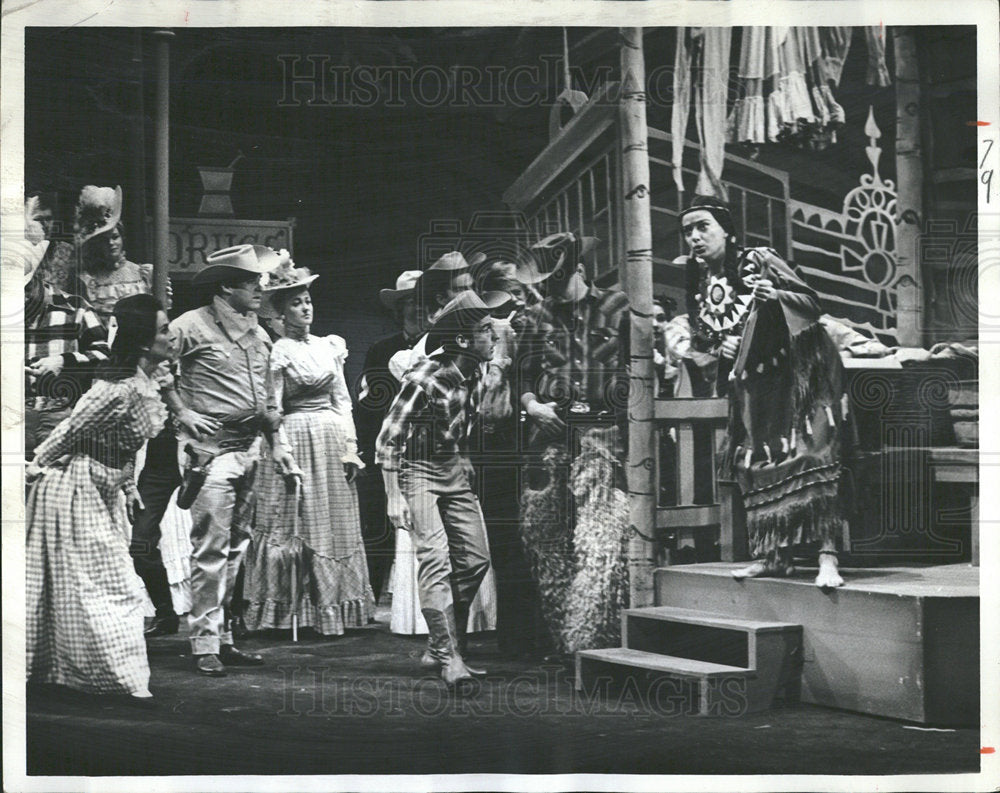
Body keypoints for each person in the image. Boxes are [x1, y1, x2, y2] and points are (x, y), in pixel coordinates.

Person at [667, 195, 848, 588]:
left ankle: (827, 557)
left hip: (801, 373)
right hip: (754, 381)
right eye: (687, 231)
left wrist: (778, 296)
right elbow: (702, 332)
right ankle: (773, 555)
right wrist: (719, 346)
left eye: (703, 227)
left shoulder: (760, 259)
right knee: (758, 462)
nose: (694, 237)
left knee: (812, 454)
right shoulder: (697, 278)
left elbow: (812, 304)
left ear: (726, 231)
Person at [26, 293, 175, 704]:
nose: (171, 335)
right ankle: (122, 679)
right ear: (144, 342)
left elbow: (123, 448)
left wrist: (127, 488)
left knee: (89, 585)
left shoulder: (146, 384)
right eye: (164, 329)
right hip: (72, 487)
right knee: (112, 585)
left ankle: (71, 672)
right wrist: (34, 467)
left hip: (103, 487)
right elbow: (69, 432)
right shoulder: (115, 390)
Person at [168, 244, 296, 676]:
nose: (260, 289)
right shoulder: (191, 326)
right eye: (251, 282)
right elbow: (156, 366)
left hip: (250, 447)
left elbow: (267, 395)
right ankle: (203, 641)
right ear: (227, 286)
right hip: (210, 451)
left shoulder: (259, 333)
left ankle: (223, 637)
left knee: (237, 548)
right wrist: (182, 412)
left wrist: (276, 442)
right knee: (210, 547)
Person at [243, 261, 376, 635]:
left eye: (308, 301)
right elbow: (273, 406)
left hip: (331, 440)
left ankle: (332, 608)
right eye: (297, 303)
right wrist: (281, 450)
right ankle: (288, 611)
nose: (306, 308)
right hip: (297, 438)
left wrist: (351, 445)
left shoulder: (329, 346)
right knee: (294, 522)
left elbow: (343, 400)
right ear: (282, 312)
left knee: (334, 523)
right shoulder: (280, 351)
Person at [516, 232, 630, 656]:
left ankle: (592, 642)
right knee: (548, 542)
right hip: (549, 437)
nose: (551, 289)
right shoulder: (535, 317)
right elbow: (521, 379)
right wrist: (533, 406)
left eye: (558, 279)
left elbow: (639, 374)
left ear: (579, 271)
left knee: (600, 543)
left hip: (604, 438)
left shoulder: (616, 308)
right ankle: (566, 644)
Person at [376, 291, 497, 685]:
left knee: (476, 558)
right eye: (484, 330)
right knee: (435, 559)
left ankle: (441, 642)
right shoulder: (425, 377)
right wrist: (394, 495)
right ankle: (449, 657)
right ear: (462, 341)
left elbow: (461, 422)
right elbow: (387, 439)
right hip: (417, 471)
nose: (493, 335)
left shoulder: (476, 371)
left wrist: (462, 455)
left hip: (450, 468)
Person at [355, 270, 424, 605]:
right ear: (399, 309)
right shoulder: (382, 350)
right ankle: (371, 598)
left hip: (428, 448)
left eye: (421, 300)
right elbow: (368, 407)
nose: (416, 309)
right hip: (388, 445)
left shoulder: (443, 345)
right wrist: (367, 452)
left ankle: (416, 603)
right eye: (409, 302)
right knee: (378, 523)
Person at [22, 221, 110, 459]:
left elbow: (105, 355)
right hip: (12, 415)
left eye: (26, 289)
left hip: (60, 413)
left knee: (56, 484)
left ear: (39, 277)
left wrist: (63, 361)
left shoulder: (76, 308)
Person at [72, 185, 155, 324]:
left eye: (115, 237)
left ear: (122, 237)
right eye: (104, 240)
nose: (111, 243)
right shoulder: (87, 279)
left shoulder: (143, 273)